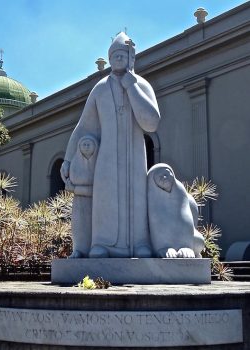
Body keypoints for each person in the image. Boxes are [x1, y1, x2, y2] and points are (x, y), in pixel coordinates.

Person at [61, 32, 160, 258]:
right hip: (106, 159)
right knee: (105, 199)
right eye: (114, 55)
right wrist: (67, 159)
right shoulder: (100, 89)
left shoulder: (142, 85)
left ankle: (139, 243)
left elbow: (151, 122)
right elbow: (84, 126)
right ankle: (102, 244)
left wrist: (131, 86)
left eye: (122, 55)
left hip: (135, 156)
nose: (117, 59)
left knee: (137, 197)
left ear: (131, 57)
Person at [65, 136, 99, 258]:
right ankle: (78, 250)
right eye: (83, 144)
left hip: (96, 203)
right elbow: (73, 181)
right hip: (79, 203)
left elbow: (98, 187)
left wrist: (76, 189)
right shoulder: (76, 164)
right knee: (79, 227)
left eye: (88, 144)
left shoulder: (99, 164)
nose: (86, 147)